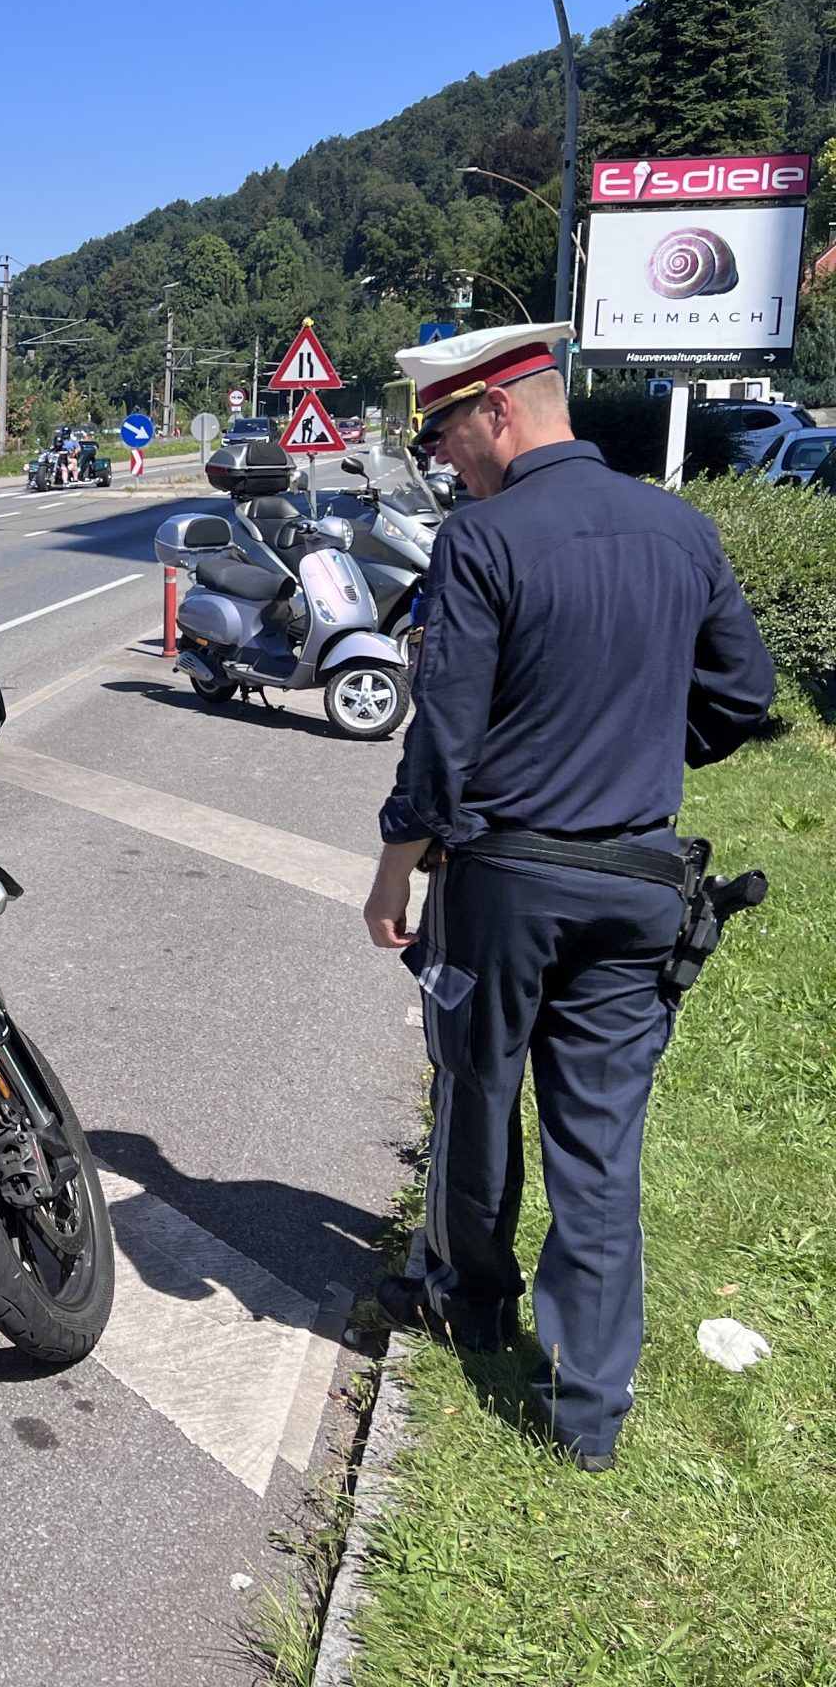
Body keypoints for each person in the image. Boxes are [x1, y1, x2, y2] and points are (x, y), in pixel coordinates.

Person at [361, 321, 773, 1471]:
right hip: (641, 878)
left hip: (505, 880)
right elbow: (743, 693)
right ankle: (587, 1412)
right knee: (601, 1139)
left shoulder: (484, 541)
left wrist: (398, 864)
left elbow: (443, 735)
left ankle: (470, 1305)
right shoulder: (680, 528)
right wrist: (643, 750)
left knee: (479, 1095)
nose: (447, 462)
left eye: (447, 436)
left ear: (501, 411)